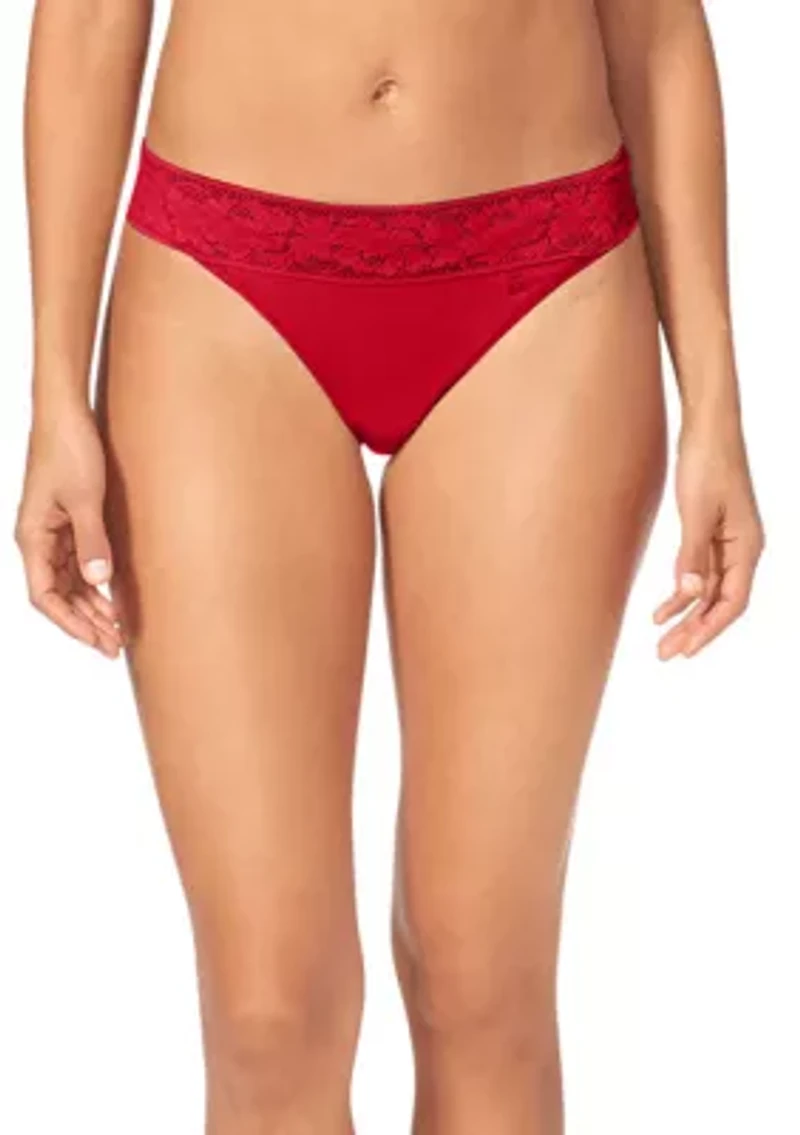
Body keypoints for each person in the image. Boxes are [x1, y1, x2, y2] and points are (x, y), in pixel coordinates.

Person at [14, 1, 764, 1132]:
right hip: (220, 285)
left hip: (546, 284)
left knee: (484, 981)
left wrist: (715, 401)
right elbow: (85, 16)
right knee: (270, 1013)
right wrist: (53, 389)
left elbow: (655, 29)